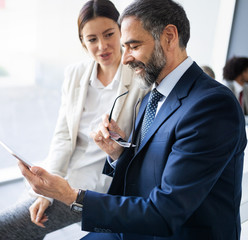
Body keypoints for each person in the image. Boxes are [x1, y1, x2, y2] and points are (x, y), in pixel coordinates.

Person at [18, 0, 247, 239]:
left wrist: (69, 195)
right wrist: (118, 154)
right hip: (137, 225)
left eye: (133, 46)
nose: (125, 58)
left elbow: (166, 212)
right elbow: (154, 168)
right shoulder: (154, 96)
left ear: (169, 37)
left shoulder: (211, 106)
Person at [0, 0, 148, 239]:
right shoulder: (75, 74)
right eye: (91, 39)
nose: (102, 46)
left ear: (121, 30)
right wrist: (47, 189)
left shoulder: (140, 78)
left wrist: (117, 143)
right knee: (29, 221)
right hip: (62, 173)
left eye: (109, 34)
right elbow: (63, 136)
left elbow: (141, 149)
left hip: (93, 187)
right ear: (82, 41)